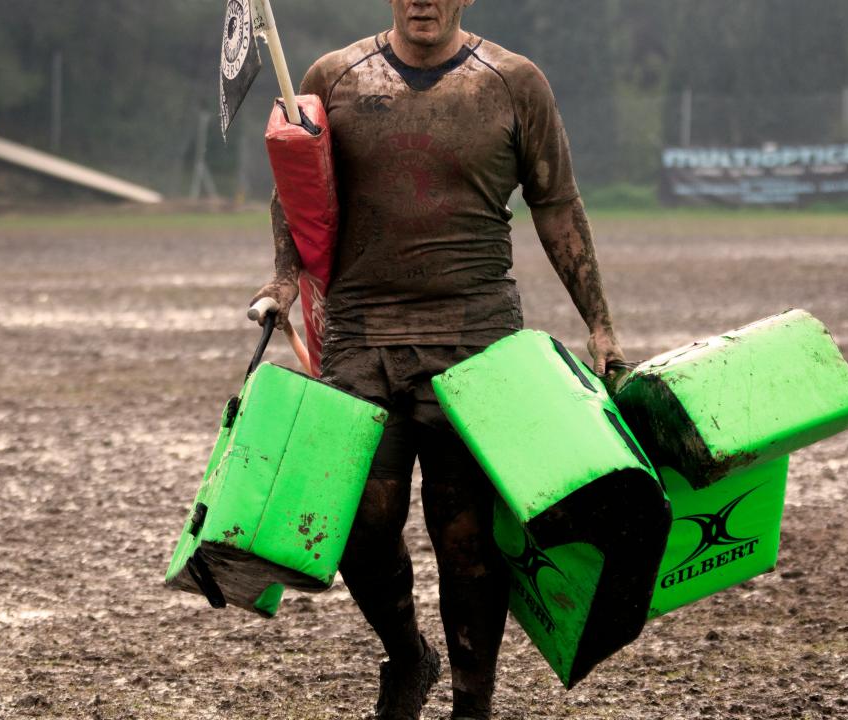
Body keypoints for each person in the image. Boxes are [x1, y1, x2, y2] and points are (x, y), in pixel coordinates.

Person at [250, 1, 625, 718]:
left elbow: (558, 203)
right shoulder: (335, 76)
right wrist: (281, 278)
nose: (423, 0)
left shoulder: (514, 82)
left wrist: (599, 323)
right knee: (359, 523)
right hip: (362, 334)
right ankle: (408, 653)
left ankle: (472, 705)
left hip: (476, 340)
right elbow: (296, 191)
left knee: (466, 536)